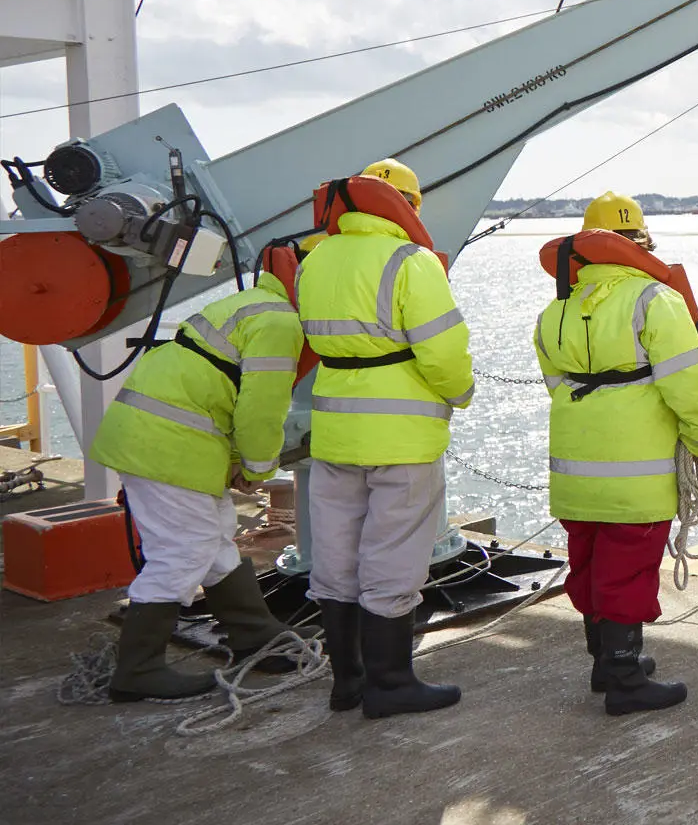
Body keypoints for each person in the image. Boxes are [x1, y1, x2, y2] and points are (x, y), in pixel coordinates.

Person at [299, 157, 475, 719]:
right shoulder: (411, 261)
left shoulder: (315, 258)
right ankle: (392, 682)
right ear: (407, 206)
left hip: (333, 429)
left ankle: (346, 681)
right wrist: (461, 391)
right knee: (393, 557)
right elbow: (443, 350)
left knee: (335, 555)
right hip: (402, 438)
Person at [89, 256, 310, 701]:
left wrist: (235, 458)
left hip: (161, 437)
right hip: (168, 445)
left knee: (214, 541)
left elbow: (217, 387)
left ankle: (255, 636)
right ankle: (138, 669)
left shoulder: (254, 303)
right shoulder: (281, 323)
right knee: (183, 551)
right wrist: (255, 467)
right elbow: (260, 412)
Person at [533, 192, 698, 715]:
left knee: (588, 562)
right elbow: (686, 384)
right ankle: (625, 681)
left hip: (573, 466)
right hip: (637, 468)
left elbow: (554, 383)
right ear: (641, 243)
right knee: (629, 567)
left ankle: (604, 662)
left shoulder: (555, 308)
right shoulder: (655, 300)